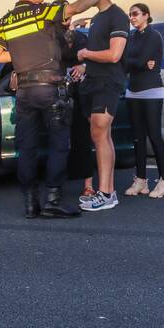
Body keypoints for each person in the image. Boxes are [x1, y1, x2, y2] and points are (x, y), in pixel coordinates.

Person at [0, 0, 130, 218]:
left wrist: (23, 58)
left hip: (23, 92)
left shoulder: (5, 21)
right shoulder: (41, 11)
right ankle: (53, 200)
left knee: (27, 148)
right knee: (58, 145)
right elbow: (76, 6)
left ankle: (30, 203)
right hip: (49, 88)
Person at [76, 0, 131, 212]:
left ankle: (106, 193)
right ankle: (106, 191)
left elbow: (114, 55)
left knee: (99, 133)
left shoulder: (117, 16)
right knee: (100, 135)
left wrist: (86, 54)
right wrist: (85, 64)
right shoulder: (98, 19)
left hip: (108, 83)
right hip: (93, 81)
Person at [122, 3, 164, 198]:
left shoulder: (154, 36)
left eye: (135, 14)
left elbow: (137, 59)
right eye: (130, 15)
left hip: (151, 91)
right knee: (137, 137)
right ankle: (141, 180)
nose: (132, 18)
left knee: (154, 136)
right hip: (132, 91)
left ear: (146, 15)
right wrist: (141, 63)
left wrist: (138, 62)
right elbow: (124, 61)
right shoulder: (131, 36)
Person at [62, 17, 96, 199]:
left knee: (83, 140)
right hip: (58, 95)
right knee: (59, 141)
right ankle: (56, 184)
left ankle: (88, 185)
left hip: (81, 96)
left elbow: (97, 60)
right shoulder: (50, 38)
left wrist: (84, 66)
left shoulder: (82, 40)